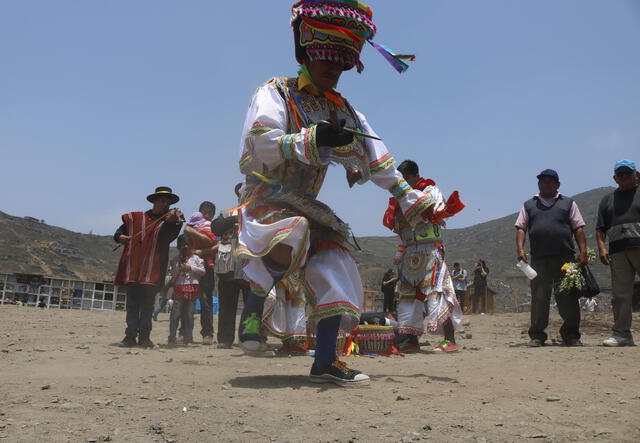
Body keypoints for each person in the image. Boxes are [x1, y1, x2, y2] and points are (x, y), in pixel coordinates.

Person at [235, 0, 435, 386]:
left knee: (337, 268)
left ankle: (325, 362)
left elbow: (377, 159)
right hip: (267, 196)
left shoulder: (343, 109)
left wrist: (411, 198)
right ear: (308, 54)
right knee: (291, 230)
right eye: (327, 60)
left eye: (341, 64)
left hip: (308, 205)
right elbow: (260, 142)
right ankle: (254, 311)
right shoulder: (276, 91)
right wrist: (312, 137)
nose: (334, 69)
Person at [382, 160, 464, 353]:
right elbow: (396, 221)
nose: (402, 183)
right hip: (409, 252)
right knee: (409, 297)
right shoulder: (399, 198)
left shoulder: (430, 190)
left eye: (405, 179)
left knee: (437, 292)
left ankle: (449, 339)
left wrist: (408, 210)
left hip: (430, 251)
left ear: (413, 176)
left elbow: (431, 212)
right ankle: (411, 340)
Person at [515, 169, 587, 347]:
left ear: (558, 184)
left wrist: (583, 250)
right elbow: (521, 228)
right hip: (539, 259)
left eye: (550, 181)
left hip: (566, 259)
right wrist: (520, 248)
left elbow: (578, 227)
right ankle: (538, 336)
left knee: (568, 297)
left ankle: (571, 335)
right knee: (540, 298)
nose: (546, 184)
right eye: (542, 181)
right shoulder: (529, 204)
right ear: (538, 184)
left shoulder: (568, 203)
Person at [114, 186, 183, 348]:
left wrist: (171, 222)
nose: (165, 204)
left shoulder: (173, 221)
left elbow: (167, 238)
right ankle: (130, 337)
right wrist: (121, 237)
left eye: (167, 202)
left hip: (153, 270)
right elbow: (119, 233)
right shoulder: (136, 218)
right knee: (132, 305)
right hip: (133, 268)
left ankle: (145, 337)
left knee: (147, 306)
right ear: (154, 201)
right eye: (161, 201)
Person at [596, 159, 640, 347]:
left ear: (636, 175)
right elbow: (600, 229)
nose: (624, 177)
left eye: (627, 173)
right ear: (615, 178)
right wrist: (602, 248)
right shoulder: (607, 200)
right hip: (618, 252)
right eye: (620, 174)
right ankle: (622, 334)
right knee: (621, 294)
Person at [184, 201, 219, 345]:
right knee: (187, 297)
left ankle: (208, 334)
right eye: (205, 211)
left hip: (207, 267)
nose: (207, 214)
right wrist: (203, 238)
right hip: (190, 265)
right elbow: (186, 229)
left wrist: (202, 251)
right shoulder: (193, 224)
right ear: (200, 212)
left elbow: (219, 245)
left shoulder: (216, 227)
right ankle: (184, 333)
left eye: (210, 212)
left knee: (206, 300)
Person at [167, 235, 206, 345]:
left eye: (188, 245)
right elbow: (173, 276)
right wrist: (178, 269)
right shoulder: (175, 260)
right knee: (175, 315)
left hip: (192, 289)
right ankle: (172, 337)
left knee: (189, 315)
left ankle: (188, 338)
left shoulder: (197, 259)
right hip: (179, 288)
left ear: (192, 246)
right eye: (183, 245)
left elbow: (203, 272)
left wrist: (190, 268)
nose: (185, 247)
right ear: (179, 246)